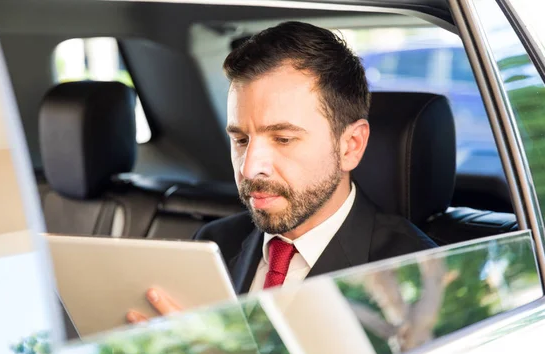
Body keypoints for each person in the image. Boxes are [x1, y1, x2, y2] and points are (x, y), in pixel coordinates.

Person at [127, 20, 436, 321]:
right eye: (240, 139)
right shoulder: (214, 243)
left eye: (283, 139)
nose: (250, 168)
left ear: (350, 145)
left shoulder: (415, 273)